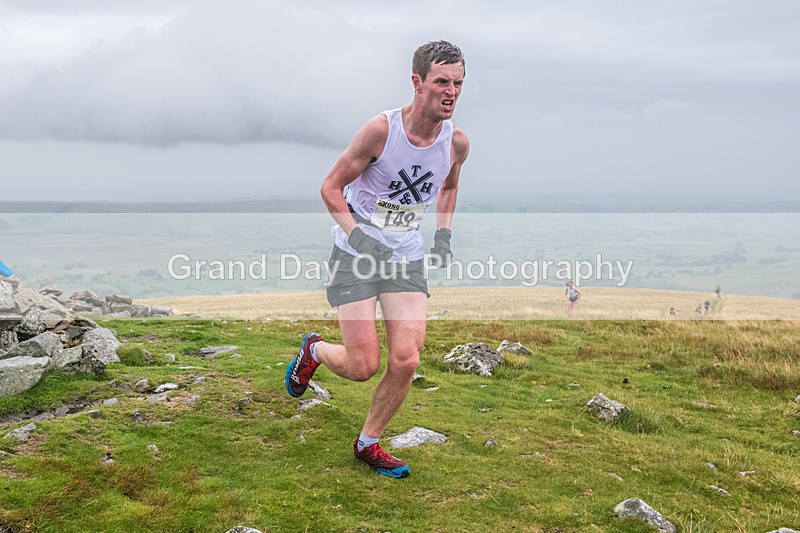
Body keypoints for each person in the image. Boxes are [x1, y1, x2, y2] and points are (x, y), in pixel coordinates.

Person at [284, 41, 469, 479]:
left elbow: (448, 186)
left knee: (407, 359)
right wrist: (360, 238)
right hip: (356, 255)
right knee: (362, 366)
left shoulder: (456, 142)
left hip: (405, 256)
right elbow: (330, 187)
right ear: (417, 82)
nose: (451, 92)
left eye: (459, 83)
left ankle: (368, 443)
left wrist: (443, 235)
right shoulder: (381, 132)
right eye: (442, 82)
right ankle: (314, 350)